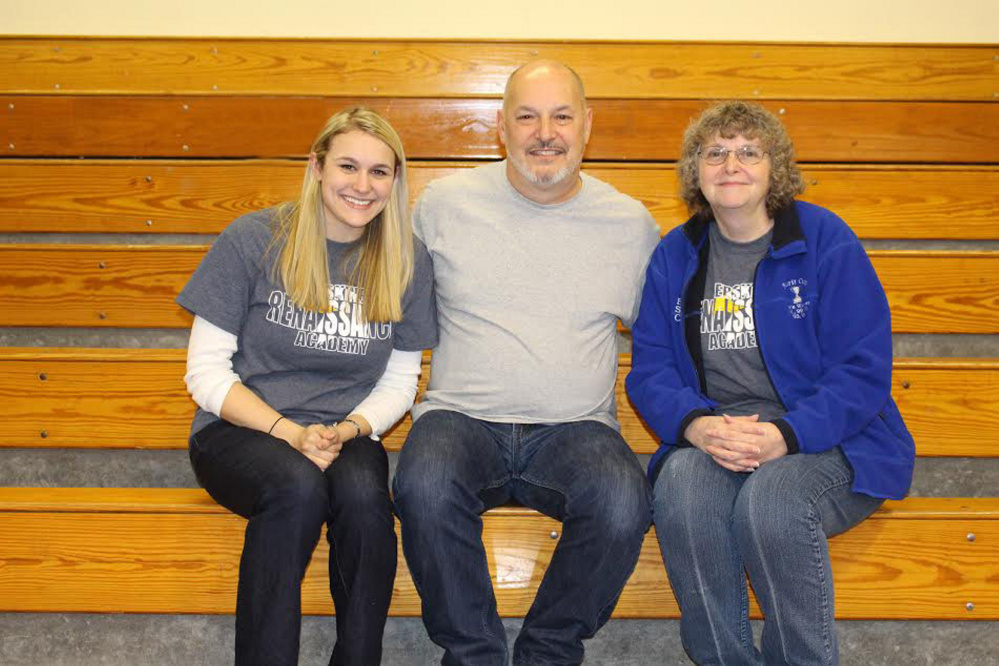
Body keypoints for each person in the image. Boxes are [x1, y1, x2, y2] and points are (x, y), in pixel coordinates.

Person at [626, 101, 915, 665]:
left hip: (829, 442)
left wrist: (786, 434)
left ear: (773, 168)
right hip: (720, 438)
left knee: (772, 501)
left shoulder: (824, 238)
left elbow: (863, 369)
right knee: (680, 487)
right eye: (715, 152)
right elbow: (652, 368)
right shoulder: (676, 254)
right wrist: (697, 426)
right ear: (697, 171)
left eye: (748, 152)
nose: (730, 164)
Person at [391, 60, 661, 666]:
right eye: (528, 116)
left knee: (624, 501)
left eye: (562, 116)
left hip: (577, 429)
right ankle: (474, 654)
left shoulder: (630, 224)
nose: (546, 132)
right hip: (460, 419)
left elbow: (662, 345)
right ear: (501, 127)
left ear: (587, 125)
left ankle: (548, 652)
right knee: (423, 483)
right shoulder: (442, 206)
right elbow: (390, 308)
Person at [177, 107, 437, 666]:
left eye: (379, 172)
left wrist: (346, 430)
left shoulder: (407, 259)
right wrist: (289, 433)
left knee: (367, 500)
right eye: (347, 166)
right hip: (242, 427)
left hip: (345, 431)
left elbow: (400, 379)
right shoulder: (254, 239)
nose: (362, 186)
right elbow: (205, 373)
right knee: (297, 488)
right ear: (316, 166)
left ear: (395, 180)